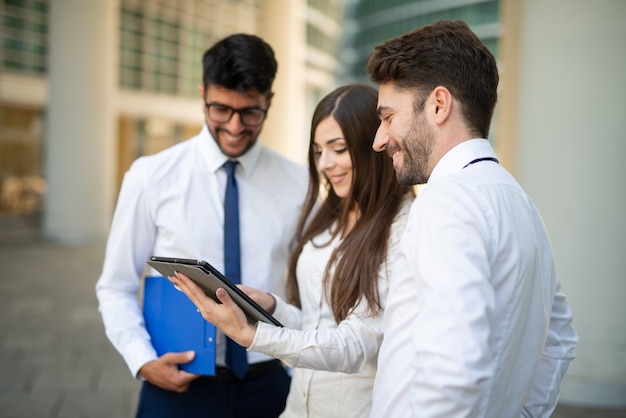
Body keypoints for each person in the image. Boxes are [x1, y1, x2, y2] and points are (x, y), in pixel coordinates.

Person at [364, 20, 579, 417]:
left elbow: (453, 372)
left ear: (439, 105)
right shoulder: (522, 204)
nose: (379, 139)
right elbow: (559, 342)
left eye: (388, 116)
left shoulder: (445, 203)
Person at [169, 83, 415, 417]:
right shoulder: (330, 215)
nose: (325, 163)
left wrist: (251, 335)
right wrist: (273, 308)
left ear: (373, 143)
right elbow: (317, 324)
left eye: (338, 148)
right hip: (297, 406)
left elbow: (358, 344)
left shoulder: (402, 227)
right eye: (317, 151)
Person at [95, 33, 308, 417]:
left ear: (269, 102)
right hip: (176, 384)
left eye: (250, 112)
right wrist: (142, 360)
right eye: (220, 109)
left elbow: (310, 291)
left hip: (271, 385)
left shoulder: (299, 184)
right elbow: (115, 286)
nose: (234, 126)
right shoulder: (151, 177)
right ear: (202, 94)